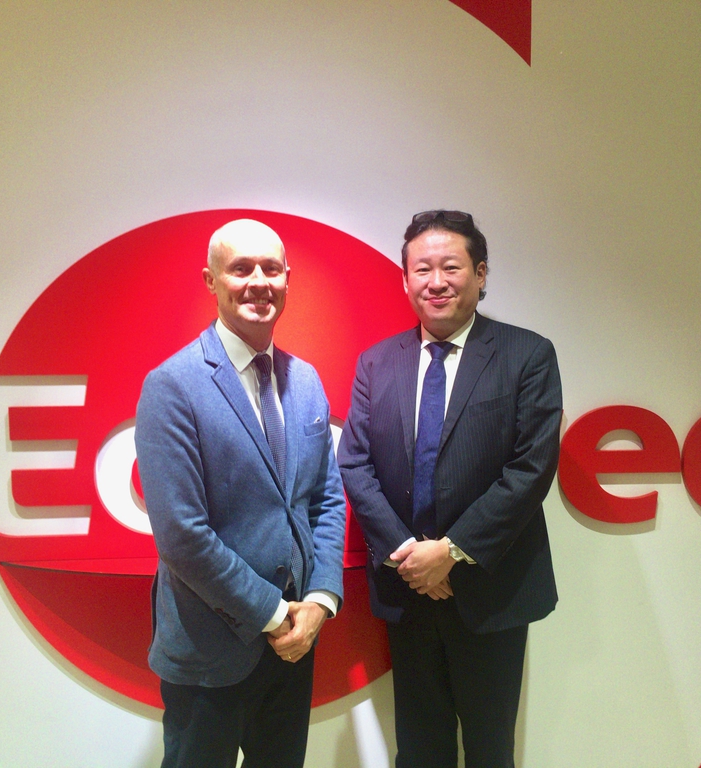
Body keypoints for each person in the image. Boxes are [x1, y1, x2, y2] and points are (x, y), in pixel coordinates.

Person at [338, 210, 562, 767]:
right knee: (419, 750)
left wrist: (452, 552)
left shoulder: (527, 355)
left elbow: (530, 469)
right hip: (408, 590)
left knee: (490, 750)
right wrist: (411, 557)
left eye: (451, 267)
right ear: (405, 279)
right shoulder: (376, 363)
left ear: (481, 274)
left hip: (490, 589)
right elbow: (355, 464)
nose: (436, 281)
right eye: (422, 269)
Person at [135, 218, 346, 768]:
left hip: (295, 643)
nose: (258, 282)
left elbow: (325, 499)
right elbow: (182, 536)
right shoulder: (172, 386)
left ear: (287, 278)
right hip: (210, 650)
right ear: (211, 280)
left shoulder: (306, 381)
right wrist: (273, 614)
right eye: (241, 268)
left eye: (271, 269)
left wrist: (320, 601)